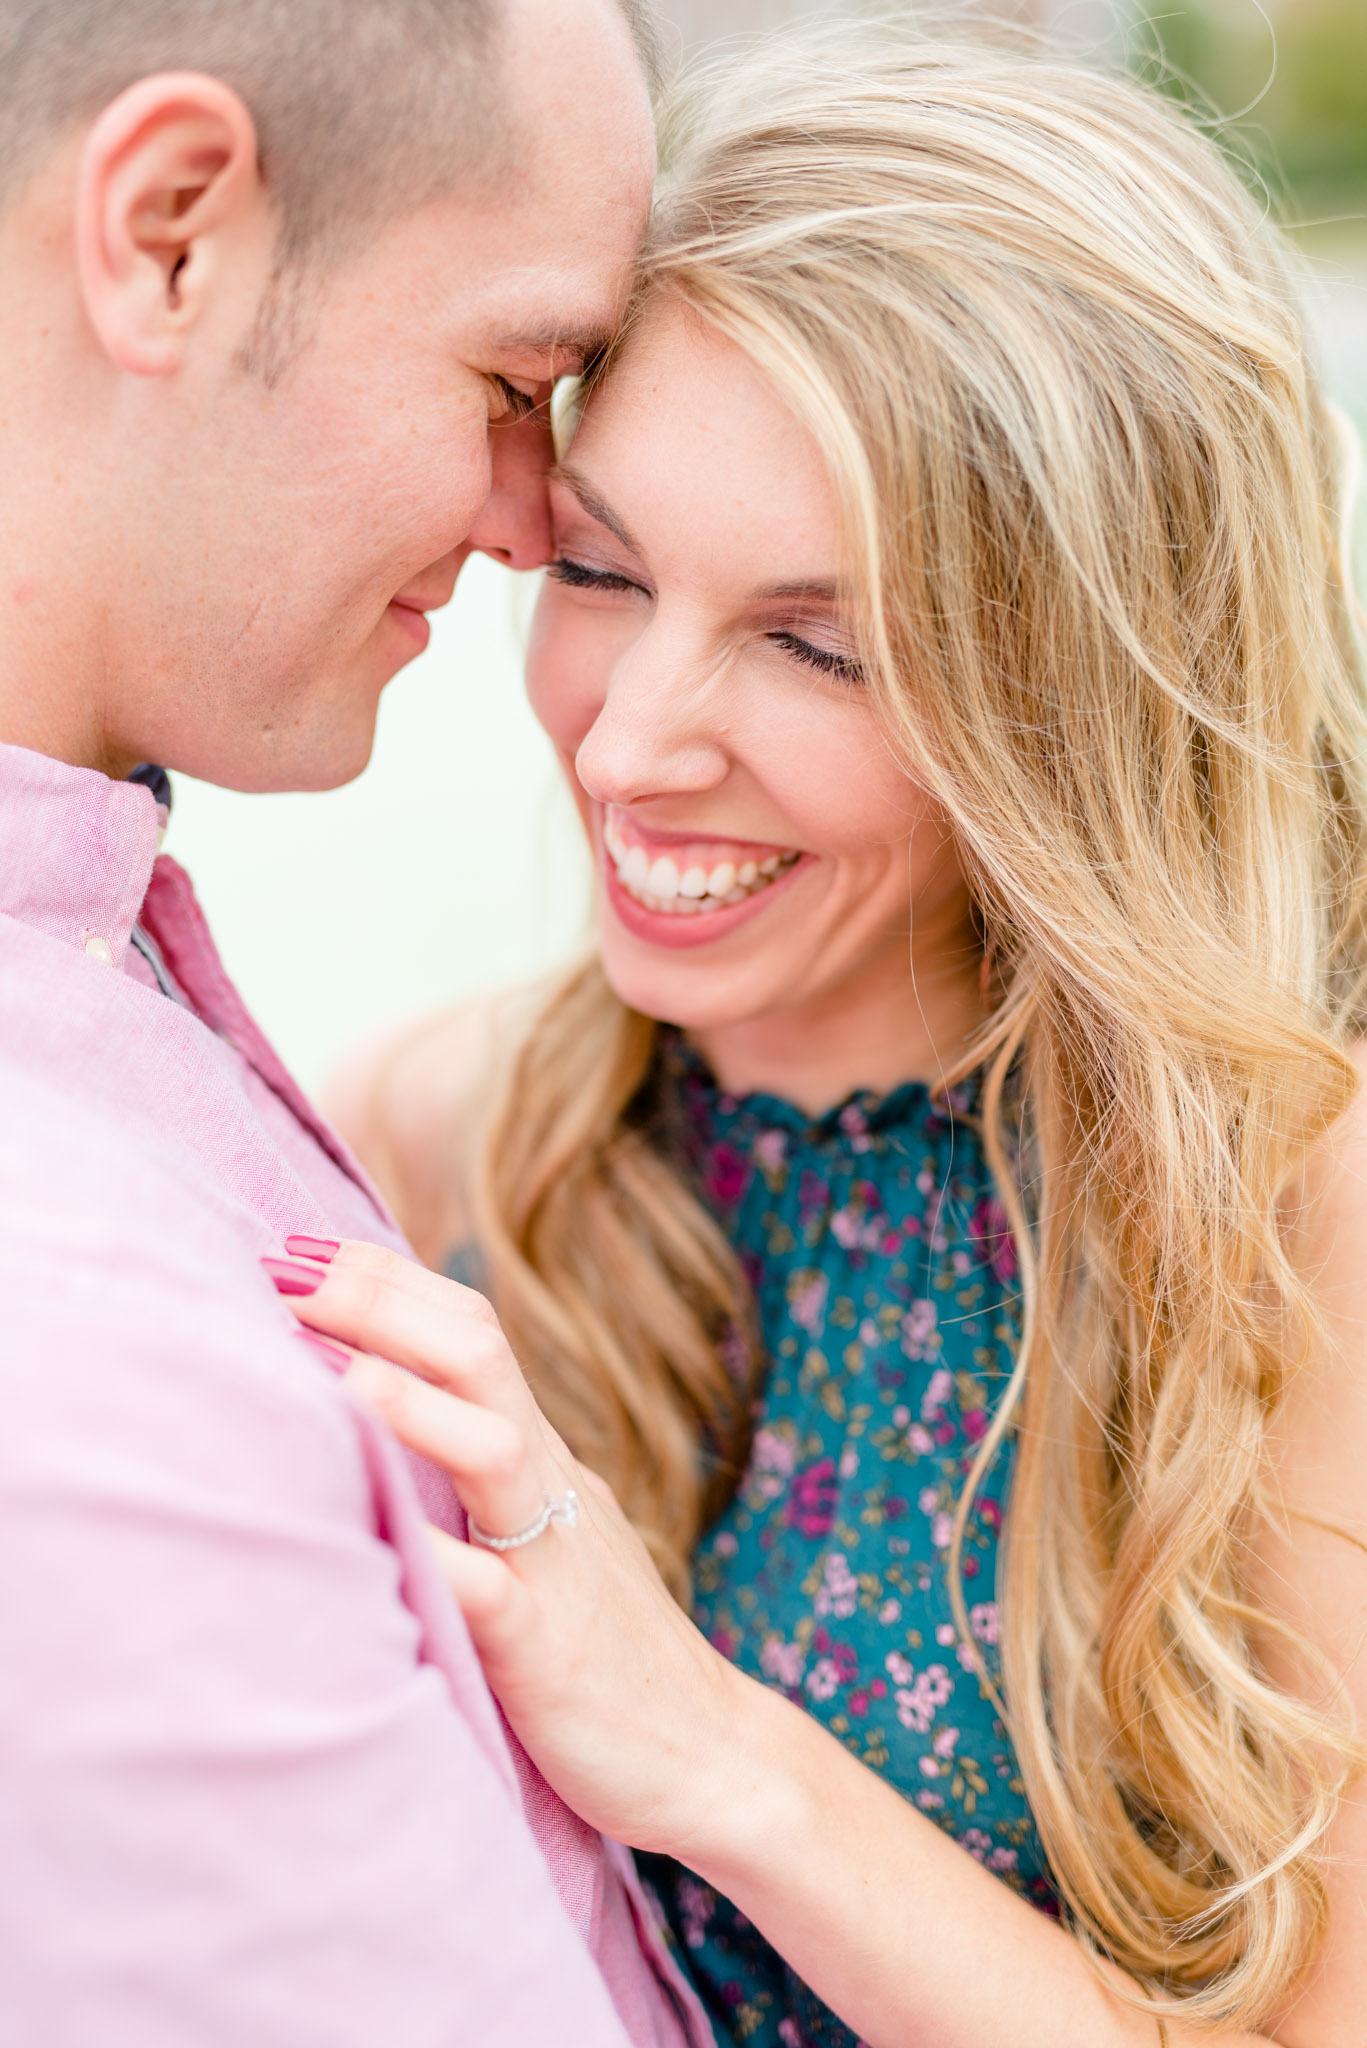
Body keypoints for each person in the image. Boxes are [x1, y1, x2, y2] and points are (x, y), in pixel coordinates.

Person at [300, 25, 1367, 2048]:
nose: (625, 743)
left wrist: (713, 1753)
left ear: (1083, 703)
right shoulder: (435, 1140)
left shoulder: (1299, 1225)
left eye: (816, 643)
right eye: (603, 569)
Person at [0, 2, 717, 2043]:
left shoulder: (92, 961)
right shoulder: (71, 1333)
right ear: (168, 234)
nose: (527, 516)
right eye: (512, 379)